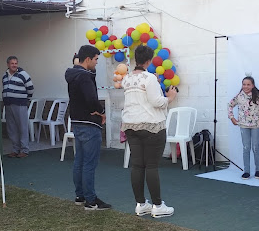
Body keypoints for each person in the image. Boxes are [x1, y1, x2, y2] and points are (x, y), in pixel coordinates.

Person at [121, 45, 177, 218]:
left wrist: (155, 83)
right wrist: (170, 98)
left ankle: (141, 204)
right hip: (151, 125)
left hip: (131, 124)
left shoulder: (127, 78)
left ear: (135, 59)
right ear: (149, 61)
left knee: (137, 165)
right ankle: (158, 206)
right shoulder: (150, 78)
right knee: (152, 165)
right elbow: (156, 101)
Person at [65, 45, 111, 211]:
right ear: (88, 59)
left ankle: (80, 196)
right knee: (89, 164)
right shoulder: (84, 77)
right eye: (96, 59)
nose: (97, 63)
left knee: (80, 161)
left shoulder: (73, 74)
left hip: (77, 121)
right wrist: (102, 112)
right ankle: (91, 200)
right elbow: (92, 99)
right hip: (89, 123)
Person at [228, 76, 259, 180]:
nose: (246, 86)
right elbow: (230, 105)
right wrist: (232, 117)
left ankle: (258, 170)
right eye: (244, 84)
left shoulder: (258, 96)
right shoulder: (239, 96)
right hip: (243, 125)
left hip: (256, 125)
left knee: (255, 147)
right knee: (246, 148)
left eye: (248, 84)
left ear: (253, 85)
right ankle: (246, 171)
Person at [2, 56, 34, 158]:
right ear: (8, 64)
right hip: (8, 104)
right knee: (11, 128)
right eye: (12, 63)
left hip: (20, 104)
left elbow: (30, 89)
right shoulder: (4, 76)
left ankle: (24, 150)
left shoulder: (23, 75)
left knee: (22, 127)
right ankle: (15, 149)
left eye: (16, 63)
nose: (14, 65)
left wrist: (25, 99)